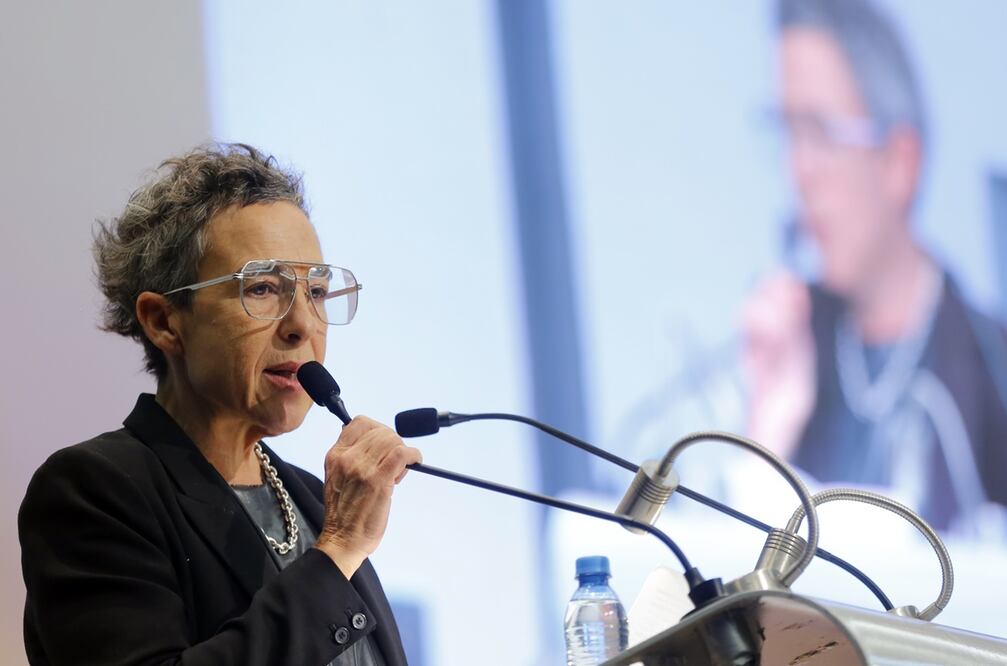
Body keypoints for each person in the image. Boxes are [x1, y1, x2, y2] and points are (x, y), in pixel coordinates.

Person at [18, 143, 422, 665]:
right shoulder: (94, 492)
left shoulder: (313, 498)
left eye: (317, 292)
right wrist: (339, 547)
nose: (303, 324)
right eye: (263, 288)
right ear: (163, 321)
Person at [743, 0, 1007, 534]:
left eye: (820, 133)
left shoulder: (991, 365)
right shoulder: (784, 348)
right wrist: (766, 427)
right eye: (788, 132)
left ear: (899, 162)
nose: (798, 170)